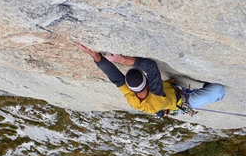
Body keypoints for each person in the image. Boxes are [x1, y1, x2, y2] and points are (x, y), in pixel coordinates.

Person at [77, 43, 225, 117]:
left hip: (167, 98)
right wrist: (121, 59)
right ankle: (208, 92)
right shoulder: (155, 97)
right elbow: (151, 67)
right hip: (185, 100)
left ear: (130, 87)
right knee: (219, 90)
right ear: (146, 82)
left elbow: (115, 76)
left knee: (160, 106)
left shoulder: (133, 98)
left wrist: (93, 55)